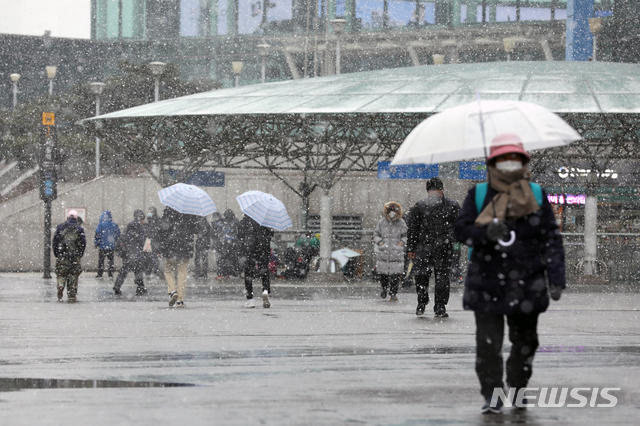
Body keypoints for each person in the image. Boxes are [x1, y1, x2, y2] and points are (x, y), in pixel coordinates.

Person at [454, 134, 565, 414]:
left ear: (524, 161)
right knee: (488, 345)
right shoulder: (479, 194)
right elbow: (461, 231)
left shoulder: (536, 194)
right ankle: (491, 394)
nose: (509, 164)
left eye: (515, 158)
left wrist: (556, 277)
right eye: (503, 159)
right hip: (486, 281)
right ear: (493, 162)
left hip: (527, 282)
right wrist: (485, 232)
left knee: (525, 343)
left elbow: (550, 238)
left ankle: (517, 389)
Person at [406, 176, 460, 318]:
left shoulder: (452, 205)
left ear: (442, 190)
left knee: (442, 280)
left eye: (438, 189)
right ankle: (422, 301)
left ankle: (440, 306)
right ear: (428, 191)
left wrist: (454, 240)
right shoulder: (420, 206)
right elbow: (413, 228)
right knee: (421, 276)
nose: (435, 192)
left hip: (444, 248)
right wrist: (411, 248)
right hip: (423, 248)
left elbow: (460, 226)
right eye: (432, 190)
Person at [158, 207, 199, 307]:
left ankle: (172, 291)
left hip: (170, 245)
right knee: (182, 273)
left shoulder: (168, 211)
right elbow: (196, 230)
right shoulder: (190, 211)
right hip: (185, 246)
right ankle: (180, 300)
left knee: (168, 270)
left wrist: (160, 248)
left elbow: (162, 230)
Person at [238, 214, 274, 308]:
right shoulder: (266, 220)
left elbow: (239, 234)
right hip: (263, 248)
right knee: (264, 271)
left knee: (248, 273)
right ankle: (265, 291)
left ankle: (250, 299)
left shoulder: (245, 221)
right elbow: (271, 233)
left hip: (250, 249)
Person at [373, 201, 407, 302]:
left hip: (396, 253)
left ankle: (393, 293)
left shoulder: (401, 223)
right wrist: (381, 243)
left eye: (394, 210)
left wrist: (400, 244)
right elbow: (376, 234)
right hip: (384, 252)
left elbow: (405, 236)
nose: (392, 212)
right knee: (383, 274)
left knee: (395, 275)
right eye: (390, 210)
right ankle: (384, 289)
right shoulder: (382, 222)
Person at [53, 210, 86, 302]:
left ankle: (61, 284)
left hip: (62, 256)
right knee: (73, 275)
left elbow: (55, 242)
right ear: (76, 218)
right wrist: (79, 254)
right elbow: (83, 243)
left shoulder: (60, 227)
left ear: (68, 217)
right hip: (74, 257)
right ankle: (72, 294)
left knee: (61, 273)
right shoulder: (79, 229)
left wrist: (57, 254)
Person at [113, 209, 147, 296]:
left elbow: (123, 238)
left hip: (127, 253)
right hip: (137, 252)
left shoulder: (129, 226)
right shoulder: (141, 228)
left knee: (124, 270)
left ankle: (117, 286)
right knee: (138, 270)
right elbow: (142, 241)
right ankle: (140, 287)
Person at [93, 210, 120, 279]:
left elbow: (97, 235)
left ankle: (100, 274)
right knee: (111, 261)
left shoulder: (100, 225)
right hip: (111, 246)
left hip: (102, 246)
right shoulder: (114, 225)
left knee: (101, 261)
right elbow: (118, 235)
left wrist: (96, 243)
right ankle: (110, 274)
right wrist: (116, 243)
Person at [216, 209, 240, 278]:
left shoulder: (225, 222)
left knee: (224, 259)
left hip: (226, 243)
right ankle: (233, 273)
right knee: (232, 259)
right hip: (233, 243)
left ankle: (223, 273)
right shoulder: (235, 221)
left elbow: (221, 232)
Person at [143, 206, 161, 277]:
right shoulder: (152, 220)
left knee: (153, 257)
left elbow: (154, 230)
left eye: (151, 211)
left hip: (154, 240)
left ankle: (154, 272)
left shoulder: (155, 220)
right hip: (153, 240)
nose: (149, 213)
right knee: (151, 257)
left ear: (154, 212)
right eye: (149, 211)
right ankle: (150, 271)